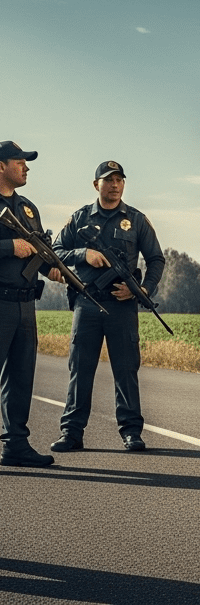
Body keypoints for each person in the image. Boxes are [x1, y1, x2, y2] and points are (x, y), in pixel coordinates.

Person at [50, 161, 165, 453]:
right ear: (96, 185)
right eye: (108, 180)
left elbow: (156, 260)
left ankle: (131, 432)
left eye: (119, 180)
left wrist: (142, 289)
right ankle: (72, 433)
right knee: (80, 369)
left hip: (122, 307)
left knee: (126, 370)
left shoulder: (137, 220)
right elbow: (56, 252)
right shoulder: (79, 219)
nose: (114, 185)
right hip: (87, 304)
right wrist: (83, 254)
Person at [0, 141, 63, 468]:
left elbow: (36, 250)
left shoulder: (27, 208)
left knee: (21, 378)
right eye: (20, 161)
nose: (26, 167)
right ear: (1, 166)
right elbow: (18, 247)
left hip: (25, 305)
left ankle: (16, 445)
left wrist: (51, 268)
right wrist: (10, 247)